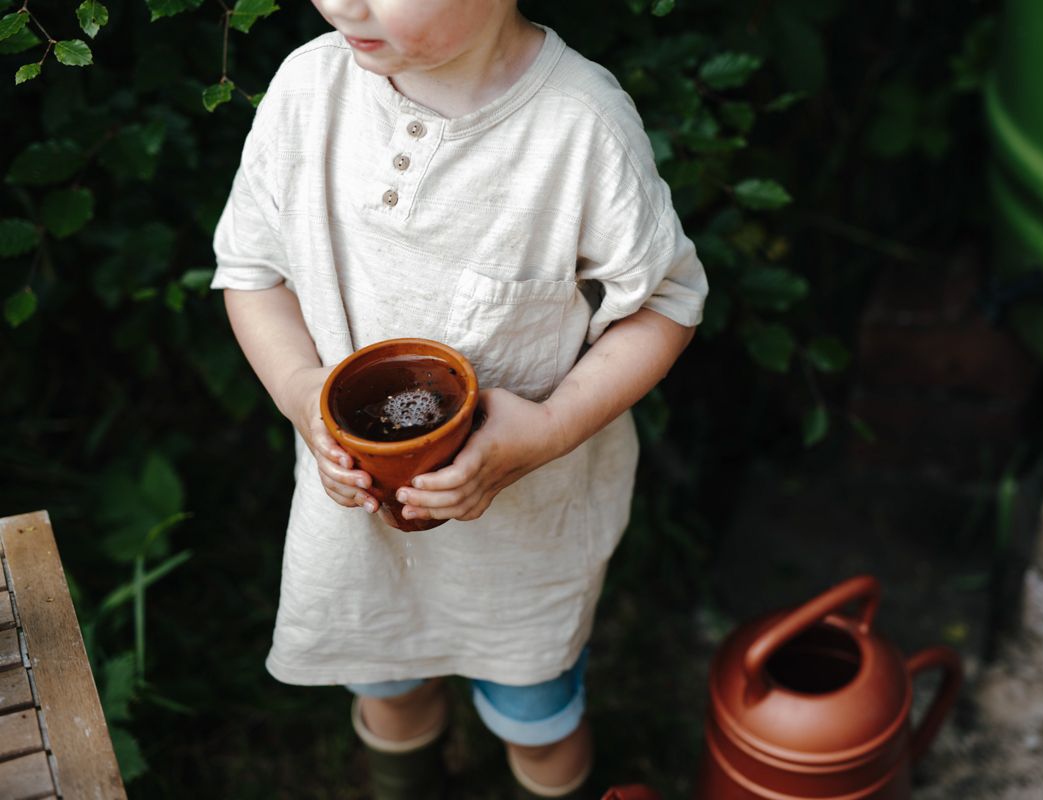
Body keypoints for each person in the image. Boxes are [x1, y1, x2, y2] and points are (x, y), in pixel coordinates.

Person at [211, 0, 707, 796]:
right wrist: (303, 391)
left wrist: (546, 428)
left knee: (536, 724)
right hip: (358, 524)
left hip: (524, 538)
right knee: (389, 690)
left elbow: (665, 304)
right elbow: (252, 272)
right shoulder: (309, 88)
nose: (342, 2)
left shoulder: (578, 124)